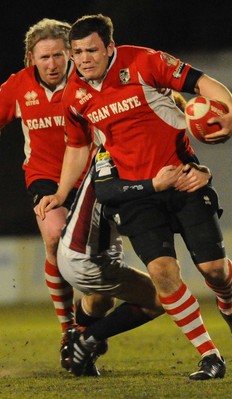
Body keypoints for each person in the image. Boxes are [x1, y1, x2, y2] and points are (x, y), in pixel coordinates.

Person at [36, 14, 232, 381]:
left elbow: (202, 83)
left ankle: (229, 306)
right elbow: (77, 146)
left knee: (214, 270)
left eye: (91, 50)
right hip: (137, 196)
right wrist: (60, 192)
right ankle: (209, 356)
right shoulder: (74, 95)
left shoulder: (144, 61)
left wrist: (231, 112)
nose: (84, 59)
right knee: (163, 274)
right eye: (77, 53)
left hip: (183, 179)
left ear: (110, 48)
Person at [0, 18, 112, 372]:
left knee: (100, 277)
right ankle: (67, 331)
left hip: (92, 180)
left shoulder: (88, 84)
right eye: (43, 57)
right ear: (30, 58)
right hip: (45, 180)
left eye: (59, 56)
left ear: (70, 55)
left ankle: (85, 329)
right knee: (53, 237)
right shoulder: (17, 87)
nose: (51, 64)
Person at [56, 146, 212, 376]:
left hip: (80, 251)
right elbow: (110, 192)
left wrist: (203, 173)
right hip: (88, 258)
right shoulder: (117, 149)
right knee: (163, 298)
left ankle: (79, 337)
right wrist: (156, 185)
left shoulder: (118, 146)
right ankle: (86, 339)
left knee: (101, 300)